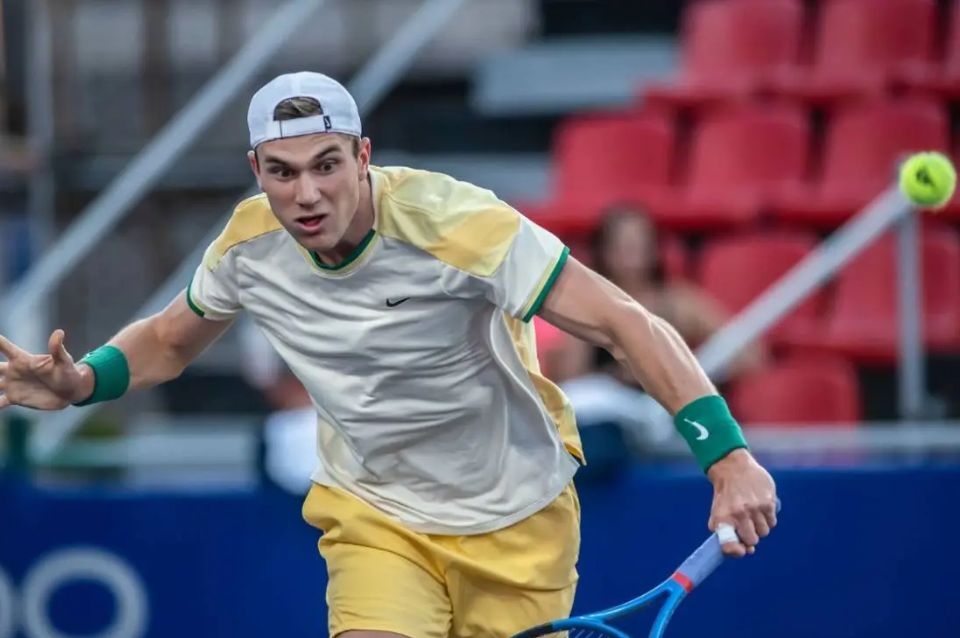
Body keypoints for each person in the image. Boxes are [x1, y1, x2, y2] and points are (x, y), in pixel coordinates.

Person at [0, 71, 778, 638]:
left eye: (327, 164)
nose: (307, 195)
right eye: (283, 172)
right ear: (256, 172)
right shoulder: (248, 246)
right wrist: (83, 381)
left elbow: (624, 323)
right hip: (378, 514)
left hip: (518, 515)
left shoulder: (461, 225)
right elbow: (170, 341)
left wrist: (727, 457)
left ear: (363, 155)